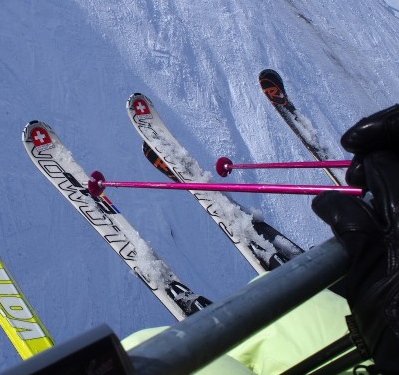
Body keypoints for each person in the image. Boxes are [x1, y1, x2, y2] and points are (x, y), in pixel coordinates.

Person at [122, 105, 399, 374]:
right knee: (279, 307)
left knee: (143, 353)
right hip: (357, 339)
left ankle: (214, 329)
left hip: (366, 346)